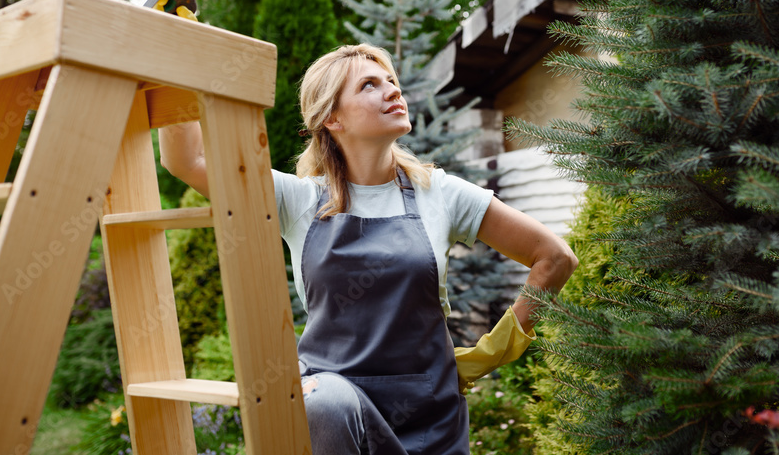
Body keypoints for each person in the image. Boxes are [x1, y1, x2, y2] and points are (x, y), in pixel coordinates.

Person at [160, 43, 577, 455]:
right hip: (333, 411)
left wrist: (494, 349)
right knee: (324, 402)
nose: (394, 91)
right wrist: (181, 50)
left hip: (431, 418)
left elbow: (554, 258)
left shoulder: (441, 194)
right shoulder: (297, 200)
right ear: (332, 118)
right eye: (370, 86)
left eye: (392, 81)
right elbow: (188, 160)